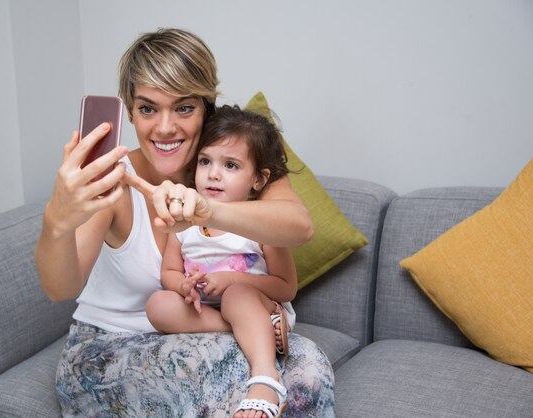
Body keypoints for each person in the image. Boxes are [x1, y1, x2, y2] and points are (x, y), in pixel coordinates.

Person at [35, 28, 334, 417]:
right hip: (108, 349)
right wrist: (57, 219)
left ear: (207, 107)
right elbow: (61, 287)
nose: (164, 128)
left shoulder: (235, 162)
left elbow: (299, 226)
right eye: (147, 108)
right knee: (267, 371)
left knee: (306, 368)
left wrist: (207, 211)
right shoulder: (114, 181)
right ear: (129, 111)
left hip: (198, 334)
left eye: (184, 107)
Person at [147, 105, 297, 418]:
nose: (213, 173)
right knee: (157, 305)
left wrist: (232, 280)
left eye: (230, 165)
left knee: (236, 295)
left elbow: (287, 287)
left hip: (253, 302)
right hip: (203, 309)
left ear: (258, 179)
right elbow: (169, 272)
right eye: (205, 161)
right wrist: (183, 284)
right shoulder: (184, 223)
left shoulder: (261, 225)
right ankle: (255, 331)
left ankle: (266, 378)